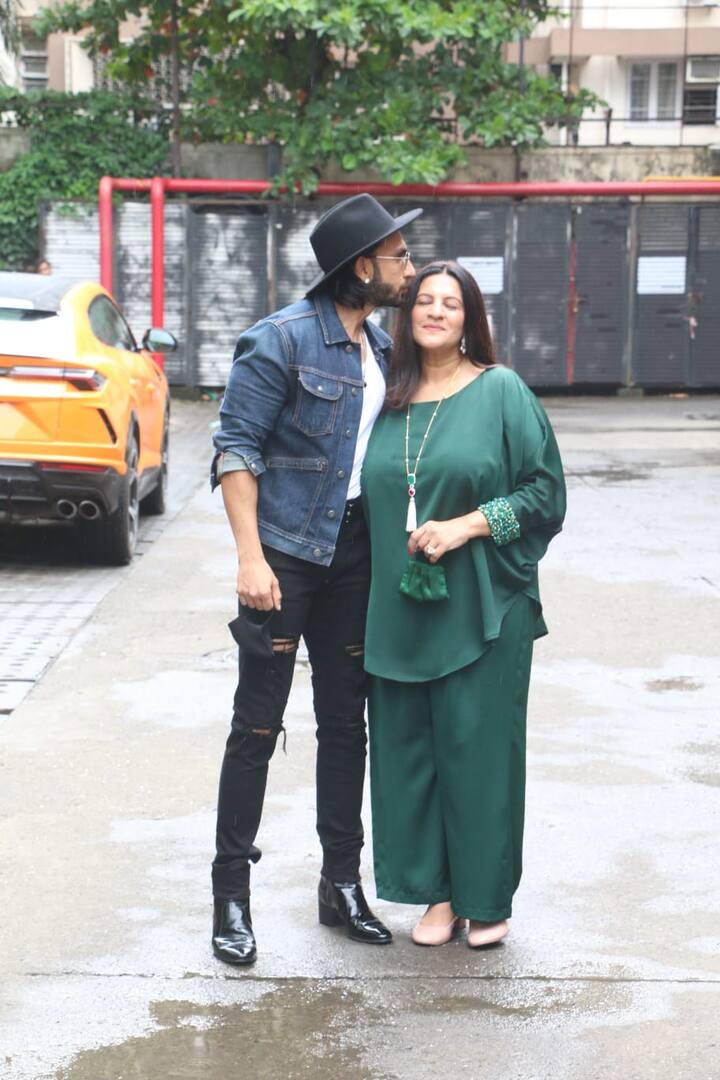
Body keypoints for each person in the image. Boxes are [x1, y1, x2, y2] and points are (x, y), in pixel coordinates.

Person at [209, 193, 422, 965]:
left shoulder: (385, 346)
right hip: (286, 557)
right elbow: (236, 450)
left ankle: (341, 886)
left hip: (357, 555)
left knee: (346, 723)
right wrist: (250, 558)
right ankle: (230, 895)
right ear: (361, 267)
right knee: (257, 725)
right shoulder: (279, 341)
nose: (408, 266)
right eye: (397, 256)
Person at [361, 260, 566, 948]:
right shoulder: (385, 400)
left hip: (483, 604)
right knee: (408, 753)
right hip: (400, 609)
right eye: (426, 300)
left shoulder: (501, 391)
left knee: (478, 755)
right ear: (409, 313)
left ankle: (486, 898)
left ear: (469, 317)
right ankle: (436, 897)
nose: (437, 311)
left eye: (451, 302)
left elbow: (546, 495)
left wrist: (467, 525)